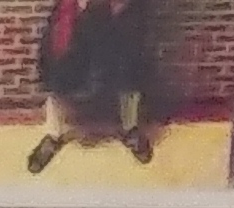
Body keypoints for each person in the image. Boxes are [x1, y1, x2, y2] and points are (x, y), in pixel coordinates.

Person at [30, 0, 169, 170]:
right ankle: (53, 134)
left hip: (119, 10)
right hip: (77, 10)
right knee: (58, 63)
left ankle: (130, 129)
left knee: (130, 64)